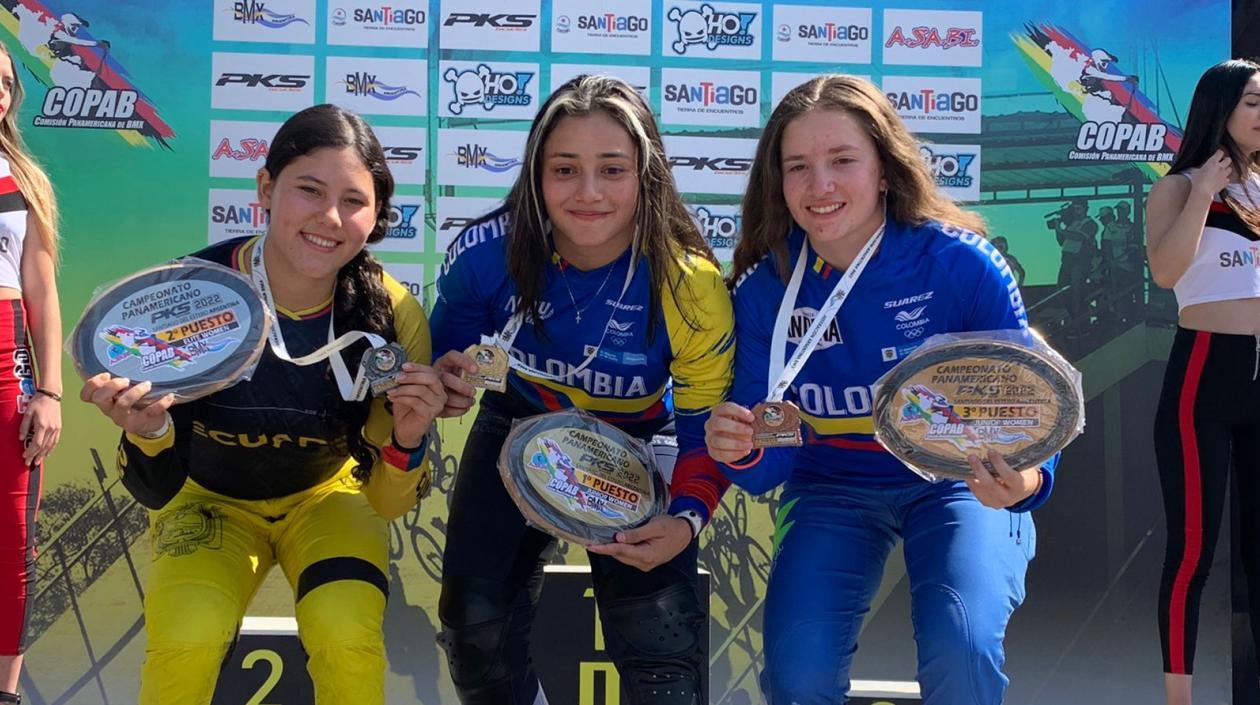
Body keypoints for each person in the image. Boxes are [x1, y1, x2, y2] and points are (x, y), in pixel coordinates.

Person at [704, 74, 1058, 705]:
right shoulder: (765, 290)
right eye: (798, 167)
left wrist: (1027, 481)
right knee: (796, 677)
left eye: (843, 160)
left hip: (954, 483)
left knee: (962, 646)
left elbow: (1026, 407)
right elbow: (766, 471)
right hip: (833, 489)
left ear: (886, 171)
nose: (821, 186)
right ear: (777, 183)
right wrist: (741, 449)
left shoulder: (961, 264)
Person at [79, 104, 445, 705]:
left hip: (328, 499)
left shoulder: (392, 316)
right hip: (207, 499)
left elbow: (384, 500)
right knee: (186, 636)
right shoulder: (190, 294)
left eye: (354, 200)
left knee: (346, 628)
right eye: (309, 190)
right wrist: (147, 432)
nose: (330, 218)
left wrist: (407, 438)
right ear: (266, 188)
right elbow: (154, 491)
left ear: (378, 215)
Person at [429, 74, 734, 705]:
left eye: (612, 169)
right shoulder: (486, 256)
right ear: (536, 175)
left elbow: (708, 425)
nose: (588, 193)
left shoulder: (688, 284)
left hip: (641, 443)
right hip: (518, 422)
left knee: (662, 648)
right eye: (565, 169)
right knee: (474, 627)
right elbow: (442, 368)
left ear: (646, 175)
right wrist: (444, 387)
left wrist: (686, 517)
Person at [1145, 58, 1260, 705]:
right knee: (1193, 546)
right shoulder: (1177, 186)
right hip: (1204, 374)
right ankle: (1179, 697)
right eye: (1253, 101)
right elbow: (1166, 271)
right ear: (1220, 107)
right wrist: (1203, 192)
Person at [0, 41, 62, 705]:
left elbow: (41, 292)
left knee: (12, 538)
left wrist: (49, 390)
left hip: (6, 372)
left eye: (8, 83)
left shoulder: (24, 180)